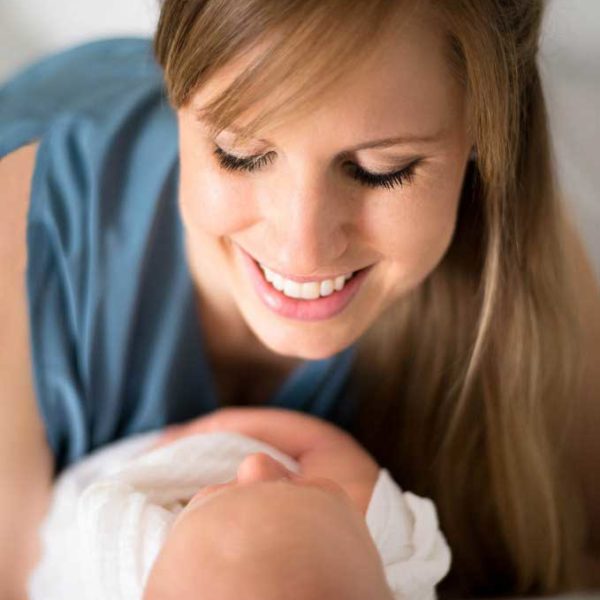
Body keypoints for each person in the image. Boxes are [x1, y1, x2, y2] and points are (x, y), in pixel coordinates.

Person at [1, 0, 599, 598]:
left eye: (379, 170)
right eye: (240, 153)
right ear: (174, 93)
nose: (301, 248)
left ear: (484, 134)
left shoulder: (517, 281)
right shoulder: (22, 228)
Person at [28, 407, 451, 600]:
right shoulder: (378, 524)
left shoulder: (133, 556)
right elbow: (318, 441)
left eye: (213, 492)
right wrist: (210, 428)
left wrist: (187, 440)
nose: (257, 463)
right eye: (298, 486)